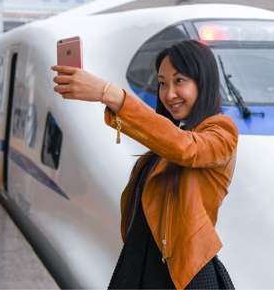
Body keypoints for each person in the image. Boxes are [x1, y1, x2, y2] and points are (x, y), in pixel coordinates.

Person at [51, 40, 238, 289]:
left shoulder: (222, 132)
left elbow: (186, 148)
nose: (169, 94)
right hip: (142, 263)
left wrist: (109, 94)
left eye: (179, 80)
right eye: (162, 83)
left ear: (203, 82)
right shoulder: (172, 135)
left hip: (181, 274)